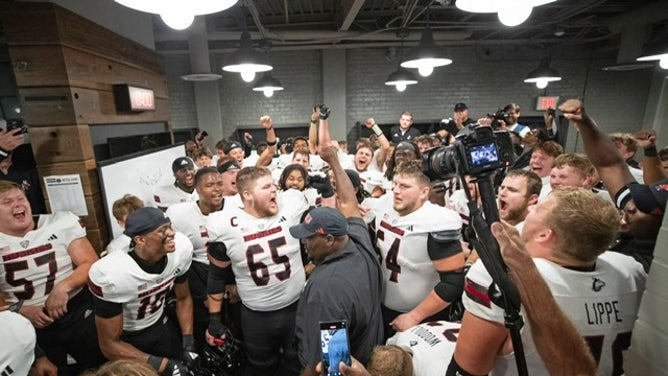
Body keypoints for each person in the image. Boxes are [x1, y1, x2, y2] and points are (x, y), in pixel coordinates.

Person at [452, 187, 646, 375]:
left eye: (537, 208)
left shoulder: (499, 275)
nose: (530, 209)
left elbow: (470, 369)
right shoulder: (630, 270)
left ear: (545, 235)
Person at [205, 165, 320, 375]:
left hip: (296, 306)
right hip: (256, 315)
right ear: (247, 195)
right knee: (261, 366)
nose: (274, 190)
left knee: (298, 362)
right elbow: (216, 276)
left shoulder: (292, 203)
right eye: (266, 187)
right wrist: (214, 320)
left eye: (274, 185)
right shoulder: (223, 225)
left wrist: (328, 193)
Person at [290, 134, 383, 375]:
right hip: (370, 349)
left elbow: (327, 364)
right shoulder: (358, 239)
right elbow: (350, 203)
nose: (305, 243)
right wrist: (334, 161)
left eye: (310, 237)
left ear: (329, 239)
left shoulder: (326, 290)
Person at [0, 180, 105, 373]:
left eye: (21, 198)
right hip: (29, 324)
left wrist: (63, 287)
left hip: (76, 311)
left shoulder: (60, 222)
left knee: (100, 366)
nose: (17, 204)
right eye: (7, 202)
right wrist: (19, 309)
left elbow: (90, 262)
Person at [559, 99, 667, 273]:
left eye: (644, 208)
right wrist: (586, 125)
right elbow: (610, 165)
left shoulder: (646, 267)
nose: (629, 208)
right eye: (639, 200)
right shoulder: (635, 212)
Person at [88, 207, 196, 376]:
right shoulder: (113, 274)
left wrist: (189, 342)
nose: (171, 233)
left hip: (160, 325)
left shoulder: (181, 250)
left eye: (170, 226)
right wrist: (162, 365)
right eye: (162, 231)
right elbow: (109, 345)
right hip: (129, 338)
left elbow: (183, 298)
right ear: (140, 240)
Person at [364, 160, 464, 337]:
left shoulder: (436, 221)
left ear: (424, 192)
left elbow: (453, 283)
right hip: (380, 307)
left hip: (420, 316)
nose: (396, 190)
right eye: (395, 184)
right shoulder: (385, 203)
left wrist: (414, 316)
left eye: (404, 186)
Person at [166, 167, 227, 349]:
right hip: (200, 272)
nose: (216, 189)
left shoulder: (235, 207)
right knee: (205, 323)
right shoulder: (179, 214)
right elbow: (179, 259)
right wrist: (202, 293)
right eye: (209, 185)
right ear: (197, 189)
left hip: (230, 270)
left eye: (219, 184)